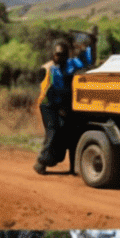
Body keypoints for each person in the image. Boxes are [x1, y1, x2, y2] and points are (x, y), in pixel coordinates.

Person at [35, 26, 96, 176]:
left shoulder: (71, 64)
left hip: (64, 105)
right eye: (56, 54)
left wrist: (93, 42)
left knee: (70, 133)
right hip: (48, 105)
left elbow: (88, 59)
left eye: (62, 55)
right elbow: (53, 92)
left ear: (66, 55)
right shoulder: (50, 69)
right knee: (54, 131)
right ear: (53, 54)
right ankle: (42, 162)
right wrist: (61, 108)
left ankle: (72, 167)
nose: (58, 57)